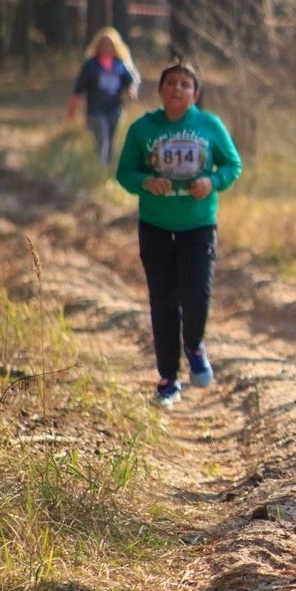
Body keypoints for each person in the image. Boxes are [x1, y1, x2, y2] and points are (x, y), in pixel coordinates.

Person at [115, 62, 242, 407]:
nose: (177, 89)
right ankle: (168, 379)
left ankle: (195, 345)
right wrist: (146, 181)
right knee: (164, 302)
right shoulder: (143, 128)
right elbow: (124, 172)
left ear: (195, 94)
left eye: (185, 84)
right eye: (171, 83)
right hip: (155, 226)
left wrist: (212, 181)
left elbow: (233, 165)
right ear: (160, 90)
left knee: (196, 295)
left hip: (198, 226)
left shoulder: (209, 126)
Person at [68, 27, 140, 165]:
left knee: (111, 140)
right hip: (95, 109)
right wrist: (73, 103)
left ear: (115, 47)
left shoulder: (120, 65)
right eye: (103, 45)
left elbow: (131, 81)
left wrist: (132, 90)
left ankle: (107, 169)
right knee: (102, 136)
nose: (106, 48)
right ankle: (100, 168)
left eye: (109, 45)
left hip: (115, 109)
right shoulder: (91, 65)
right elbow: (80, 85)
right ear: (97, 46)